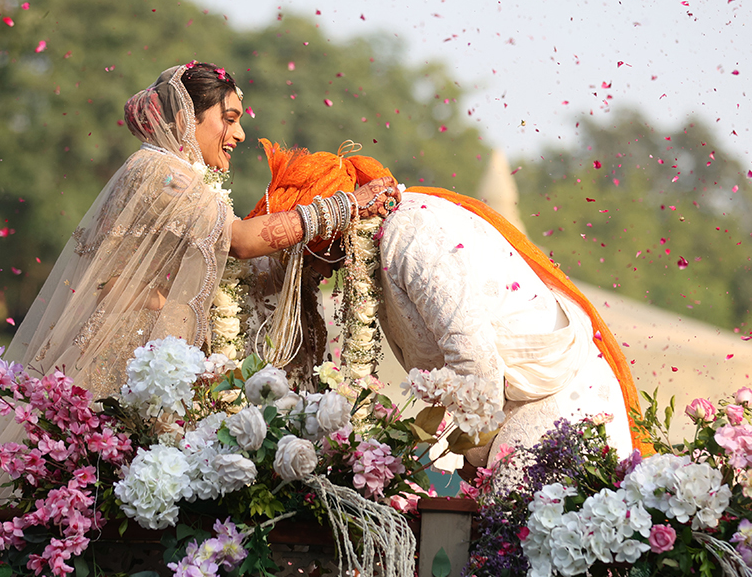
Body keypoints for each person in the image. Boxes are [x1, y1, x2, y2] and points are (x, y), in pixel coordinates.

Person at [0, 63, 399, 465]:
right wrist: (346, 205)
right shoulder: (164, 175)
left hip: (141, 364)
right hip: (122, 368)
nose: (241, 134)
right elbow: (241, 241)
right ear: (186, 119)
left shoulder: (167, 173)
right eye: (229, 119)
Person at [249, 143, 648, 473]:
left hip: (555, 407)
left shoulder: (410, 237)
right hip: (506, 417)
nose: (315, 272)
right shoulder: (377, 246)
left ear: (329, 226)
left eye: (304, 253)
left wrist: (464, 457)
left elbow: (477, 365)